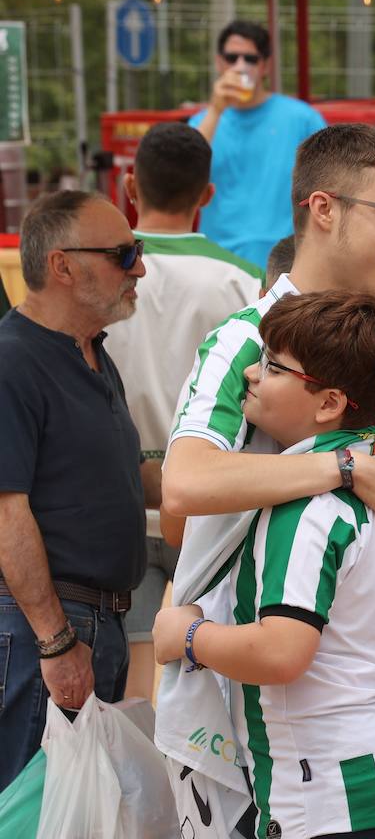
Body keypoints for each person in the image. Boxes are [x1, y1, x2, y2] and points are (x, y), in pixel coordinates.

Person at [156, 123, 375, 826]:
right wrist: (344, 467)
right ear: (323, 209)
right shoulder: (245, 340)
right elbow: (185, 486)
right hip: (227, 719)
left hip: (344, 747)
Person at [102, 122, 263, 701]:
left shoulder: (102, 279)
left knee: (137, 692)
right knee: (209, 690)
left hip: (119, 501)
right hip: (215, 512)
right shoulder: (244, 283)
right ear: (208, 195)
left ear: (128, 186)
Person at [0, 190, 148, 789]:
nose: (139, 266)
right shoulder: (13, 361)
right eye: (123, 253)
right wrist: (56, 641)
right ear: (62, 266)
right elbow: (7, 514)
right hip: (48, 625)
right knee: (31, 807)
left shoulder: (89, 354)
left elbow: (124, 471)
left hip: (93, 622)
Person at [191, 20, 326, 269]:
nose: (240, 66)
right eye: (231, 58)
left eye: (250, 59)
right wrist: (216, 109)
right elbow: (184, 174)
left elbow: (330, 184)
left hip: (287, 261)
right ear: (218, 62)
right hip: (217, 262)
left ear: (265, 66)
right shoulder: (203, 122)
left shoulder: (303, 118)